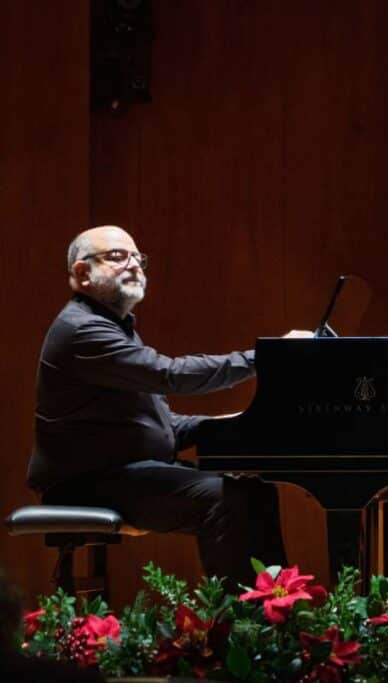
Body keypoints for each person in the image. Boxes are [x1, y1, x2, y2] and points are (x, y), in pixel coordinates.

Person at [26, 225, 303, 589]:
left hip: (122, 471)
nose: (134, 265)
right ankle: (243, 629)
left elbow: (157, 426)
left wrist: (230, 423)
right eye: (117, 256)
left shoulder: (112, 326)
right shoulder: (83, 330)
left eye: (138, 258)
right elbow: (170, 375)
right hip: (85, 482)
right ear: (82, 273)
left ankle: (277, 614)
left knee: (256, 489)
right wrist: (267, 358)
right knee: (225, 498)